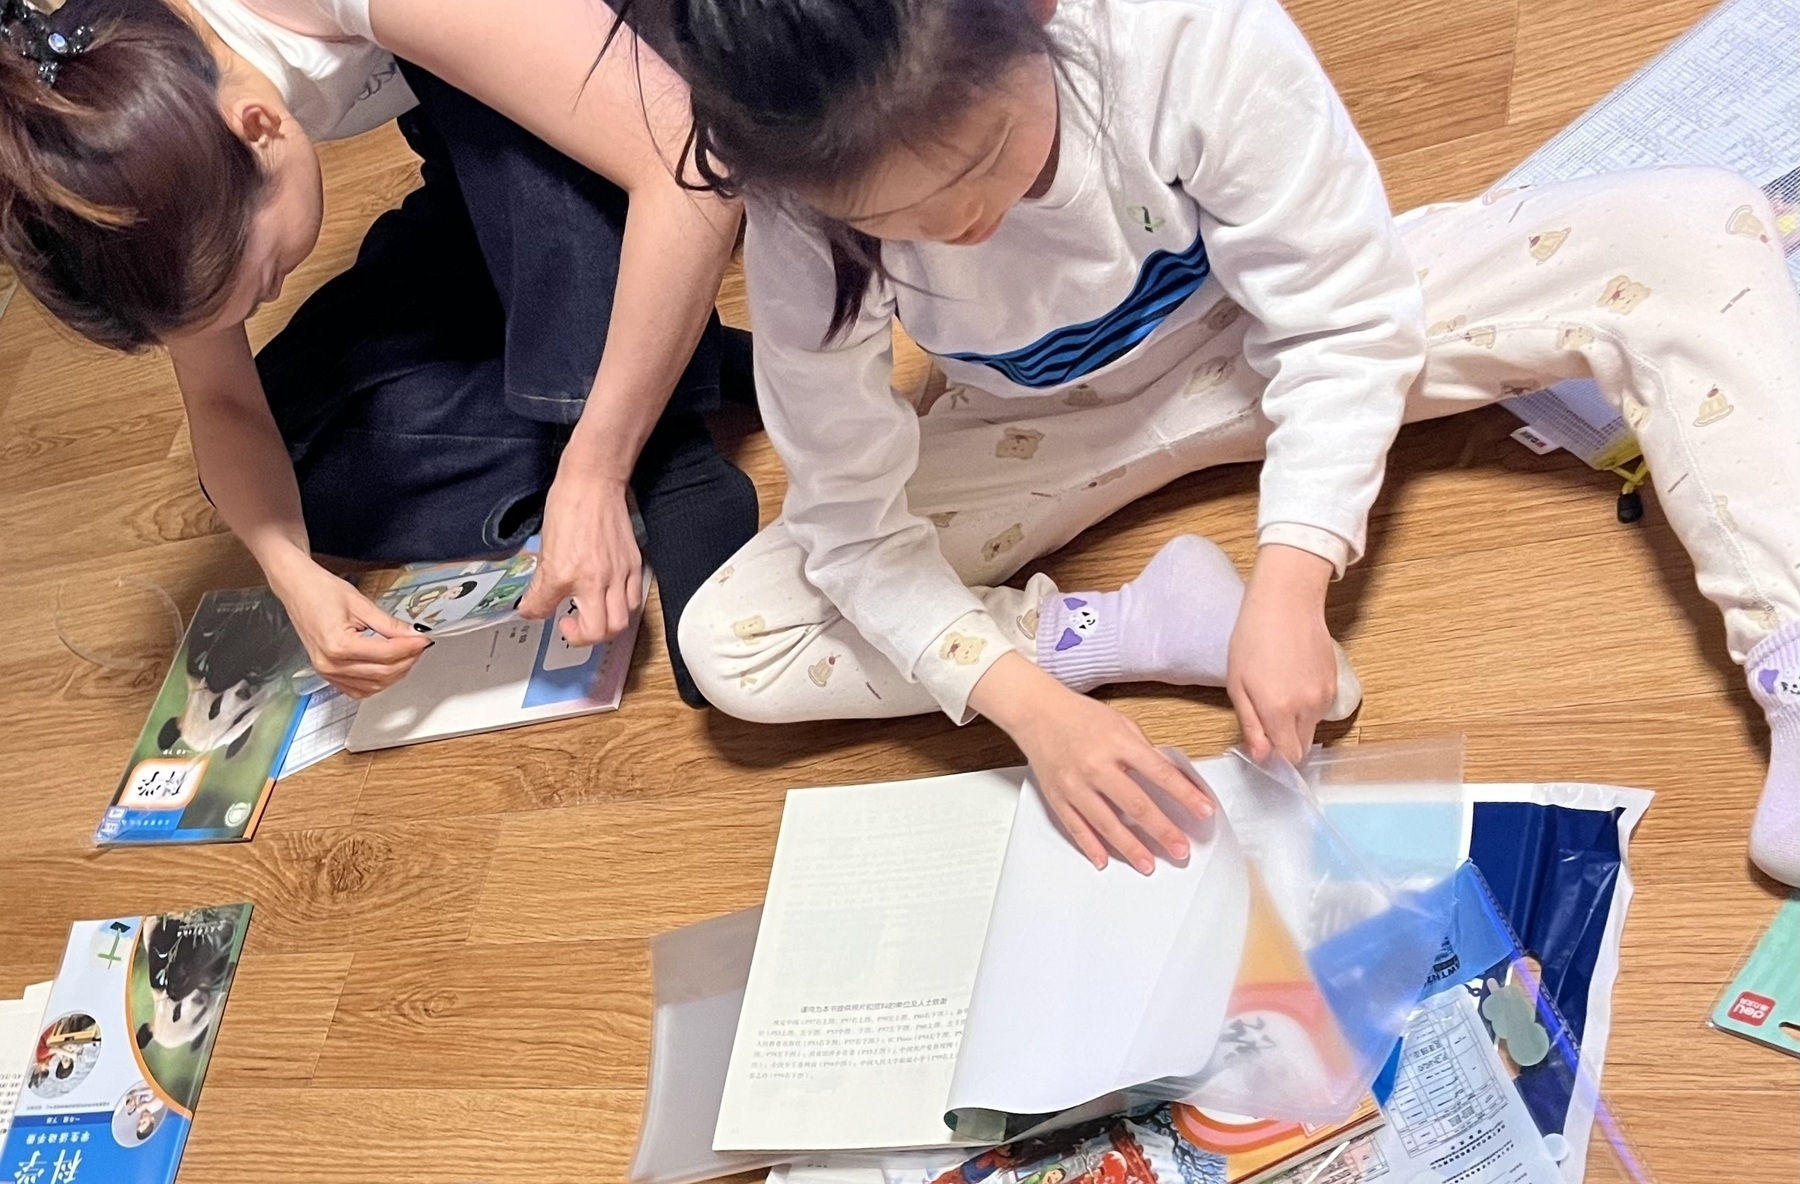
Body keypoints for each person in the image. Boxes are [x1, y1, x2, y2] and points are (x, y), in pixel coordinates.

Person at [659, 0, 1800, 885]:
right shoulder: (802, 221)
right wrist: (1034, 705)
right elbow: (853, 525)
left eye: (981, 162)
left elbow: (1342, 317)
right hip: (1035, 431)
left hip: (1278, 341)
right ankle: (1142, 622)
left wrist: (1296, 574)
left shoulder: (1183, 34)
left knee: (1696, 224)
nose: (959, 225)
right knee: (732, 643)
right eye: (894, 221)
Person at [0, 0, 758, 706]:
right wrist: (291, 575)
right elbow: (221, 400)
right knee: (302, 458)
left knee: (495, 114)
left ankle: (668, 453)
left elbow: (691, 166)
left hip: (645, 86)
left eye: (261, 282)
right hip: (481, 179)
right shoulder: (113, 104)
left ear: (257, 126)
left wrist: (599, 470)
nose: (259, 304)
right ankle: (665, 359)